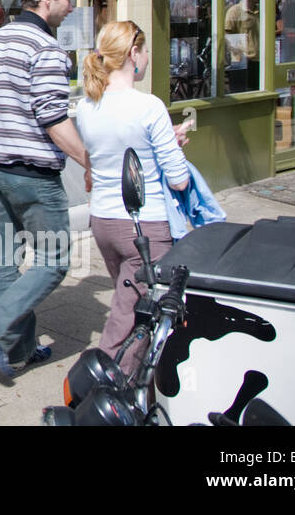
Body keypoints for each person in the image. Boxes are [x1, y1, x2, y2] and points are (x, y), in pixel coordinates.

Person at [0, 0, 91, 378]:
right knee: (55, 260)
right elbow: (54, 118)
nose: (72, 7)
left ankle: (15, 351)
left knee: (5, 259)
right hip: (33, 177)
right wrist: (91, 162)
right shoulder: (47, 49)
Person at [75, 20, 192, 376]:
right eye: (144, 52)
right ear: (133, 54)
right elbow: (179, 180)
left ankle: (139, 380)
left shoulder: (85, 108)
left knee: (131, 304)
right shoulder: (149, 106)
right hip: (145, 229)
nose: (146, 59)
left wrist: (162, 142)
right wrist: (173, 145)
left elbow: (115, 152)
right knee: (132, 318)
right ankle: (104, 387)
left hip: (104, 223)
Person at [225, 0, 259, 93]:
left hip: (258, 61)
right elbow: (227, 35)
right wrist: (238, 55)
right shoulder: (235, 11)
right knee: (241, 95)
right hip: (242, 62)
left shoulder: (260, 11)